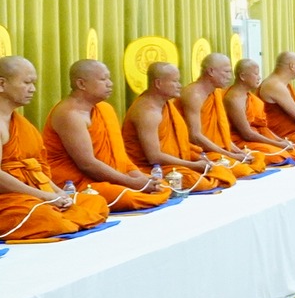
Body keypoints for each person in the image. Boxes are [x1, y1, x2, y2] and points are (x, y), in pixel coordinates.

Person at [0, 56, 109, 239]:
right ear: (2, 84)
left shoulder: (19, 122)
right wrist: (44, 197)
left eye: (33, 83)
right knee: (46, 217)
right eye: (27, 82)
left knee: (94, 202)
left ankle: (61, 214)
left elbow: (35, 168)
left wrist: (57, 193)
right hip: (9, 200)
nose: (33, 89)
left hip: (32, 195)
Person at [41, 60, 170, 211]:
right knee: (127, 196)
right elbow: (87, 164)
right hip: (77, 183)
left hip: (111, 177)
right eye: (103, 79)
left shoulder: (105, 109)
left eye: (109, 78)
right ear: (81, 84)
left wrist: (137, 176)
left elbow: (120, 157)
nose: (110, 84)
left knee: (161, 185)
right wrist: (130, 182)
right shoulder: (69, 114)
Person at [124, 62, 234, 191]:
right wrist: (193, 165)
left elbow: (179, 142)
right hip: (150, 168)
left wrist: (198, 157)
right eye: (175, 81)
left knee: (220, 170)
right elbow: (154, 156)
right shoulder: (148, 112)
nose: (179, 86)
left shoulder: (166, 105)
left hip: (174, 162)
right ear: (158, 83)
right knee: (201, 182)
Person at [186, 53, 288, 172]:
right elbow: (195, 136)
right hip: (198, 151)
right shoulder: (194, 95)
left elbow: (220, 132)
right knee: (241, 169)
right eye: (227, 72)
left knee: (255, 159)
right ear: (211, 71)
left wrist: (236, 151)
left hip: (218, 148)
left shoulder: (215, 94)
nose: (230, 76)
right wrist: (231, 155)